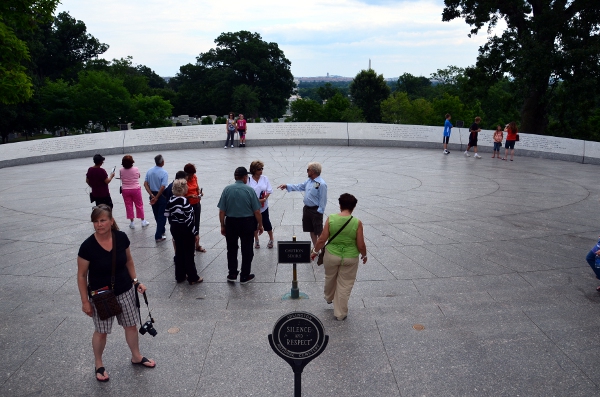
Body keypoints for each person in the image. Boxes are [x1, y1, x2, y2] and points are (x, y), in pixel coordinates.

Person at [77, 204, 156, 382]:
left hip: (125, 290)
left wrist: (136, 281)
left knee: (130, 326)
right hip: (101, 296)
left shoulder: (120, 237)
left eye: (103, 220)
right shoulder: (87, 246)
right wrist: (85, 301)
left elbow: (128, 260)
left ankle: (136, 356)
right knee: (101, 331)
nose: (99, 224)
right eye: (96, 221)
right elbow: (82, 276)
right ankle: (98, 363)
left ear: (111, 221)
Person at [310, 193, 367, 321]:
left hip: (331, 255)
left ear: (340, 205)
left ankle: (329, 297)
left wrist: (314, 251)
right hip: (350, 257)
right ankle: (340, 313)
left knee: (330, 277)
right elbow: (361, 244)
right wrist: (364, 255)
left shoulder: (331, 219)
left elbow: (322, 239)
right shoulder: (357, 223)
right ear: (353, 207)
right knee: (345, 284)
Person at [218, 167, 264, 284]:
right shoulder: (249, 190)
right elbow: (257, 211)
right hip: (247, 223)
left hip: (231, 222)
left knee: (232, 249)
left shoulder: (227, 190)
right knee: (247, 249)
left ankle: (232, 273)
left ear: (235, 177)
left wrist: (222, 225)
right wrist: (260, 224)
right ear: (245, 178)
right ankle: (245, 275)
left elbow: (222, 211)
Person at [277, 162, 328, 246]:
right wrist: (287, 186)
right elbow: (299, 186)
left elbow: (323, 199)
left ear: (313, 171)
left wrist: (320, 211)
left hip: (316, 210)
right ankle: (315, 248)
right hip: (307, 209)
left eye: (308, 170)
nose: (307, 171)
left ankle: (322, 249)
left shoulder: (321, 184)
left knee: (318, 231)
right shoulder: (310, 181)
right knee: (311, 230)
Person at [165, 179, 203, 285]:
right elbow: (189, 219)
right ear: (184, 189)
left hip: (175, 228)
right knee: (189, 254)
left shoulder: (171, 200)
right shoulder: (184, 201)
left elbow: (167, 214)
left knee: (179, 252)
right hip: (185, 229)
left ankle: (180, 275)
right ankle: (193, 277)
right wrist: (195, 233)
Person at [247, 160, 274, 248]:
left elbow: (269, 190)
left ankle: (271, 239)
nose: (261, 171)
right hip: (253, 206)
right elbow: (246, 192)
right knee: (254, 224)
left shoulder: (265, 178)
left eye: (262, 169)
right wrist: (256, 200)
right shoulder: (248, 180)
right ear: (254, 170)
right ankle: (256, 240)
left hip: (263, 205)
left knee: (266, 222)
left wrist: (265, 198)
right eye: (259, 169)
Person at [143, 154, 168, 242]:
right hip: (161, 195)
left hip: (152, 194)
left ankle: (161, 229)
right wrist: (157, 197)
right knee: (162, 215)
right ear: (162, 162)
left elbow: (145, 183)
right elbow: (162, 187)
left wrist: (151, 195)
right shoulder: (164, 173)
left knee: (156, 214)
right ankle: (158, 235)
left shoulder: (149, 171)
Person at [120, 155, 149, 229]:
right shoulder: (136, 169)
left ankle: (132, 222)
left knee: (128, 206)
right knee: (139, 205)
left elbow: (121, 177)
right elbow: (138, 176)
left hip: (125, 190)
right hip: (136, 189)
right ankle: (142, 221)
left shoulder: (121, 170)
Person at [183, 163, 206, 252]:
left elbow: (197, 188)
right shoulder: (184, 181)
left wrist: (199, 192)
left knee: (197, 224)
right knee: (189, 225)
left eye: (193, 174)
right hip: (188, 205)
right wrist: (190, 196)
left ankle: (197, 245)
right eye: (191, 174)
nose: (192, 176)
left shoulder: (194, 177)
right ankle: (190, 246)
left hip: (197, 203)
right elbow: (181, 196)